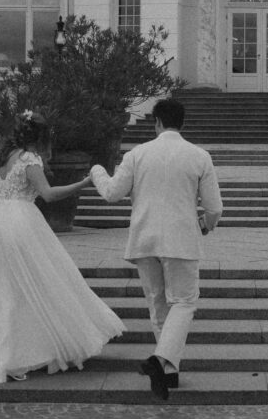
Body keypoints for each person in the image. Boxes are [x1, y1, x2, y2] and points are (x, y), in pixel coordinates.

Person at [89, 97, 222, 400]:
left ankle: (167, 373)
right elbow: (214, 207)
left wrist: (97, 170)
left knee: (157, 304)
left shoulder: (137, 154)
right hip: (181, 239)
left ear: (157, 123)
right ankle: (161, 361)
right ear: (182, 123)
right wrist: (205, 224)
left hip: (144, 238)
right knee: (185, 302)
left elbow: (111, 193)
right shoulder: (199, 156)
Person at [0, 112, 124, 384]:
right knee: (45, 280)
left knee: (5, 289)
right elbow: (48, 194)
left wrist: (1, 218)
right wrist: (82, 183)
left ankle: (8, 355)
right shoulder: (29, 159)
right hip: (23, 222)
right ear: (40, 138)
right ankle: (36, 349)